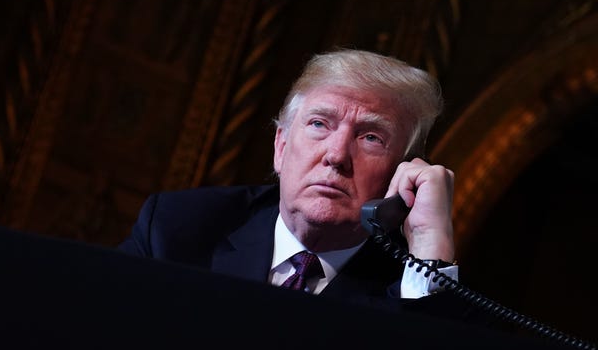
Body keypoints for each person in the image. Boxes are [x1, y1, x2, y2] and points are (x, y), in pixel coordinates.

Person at [119, 49, 460, 312]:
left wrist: (430, 243)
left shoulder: (412, 283)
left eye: (371, 137)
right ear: (280, 147)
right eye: (319, 124)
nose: (336, 155)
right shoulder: (177, 228)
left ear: (402, 173)